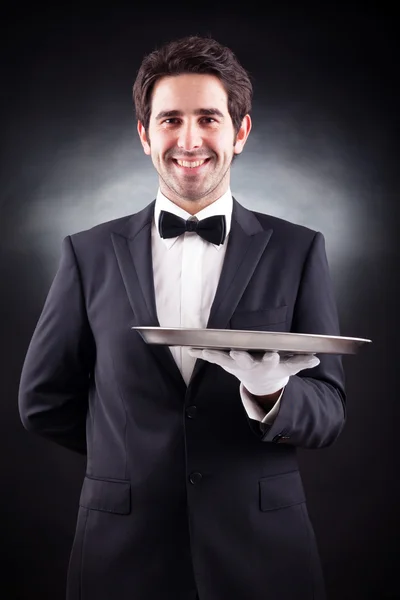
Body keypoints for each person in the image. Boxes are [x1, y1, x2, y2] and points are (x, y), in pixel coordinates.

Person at [18, 35, 346, 600]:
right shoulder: (87, 253)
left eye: (208, 119)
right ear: (145, 135)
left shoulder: (299, 250)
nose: (189, 140)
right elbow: (42, 401)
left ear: (240, 132)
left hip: (262, 553)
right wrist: (132, 456)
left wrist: (273, 395)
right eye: (170, 119)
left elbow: (330, 411)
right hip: (121, 553)